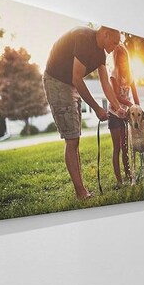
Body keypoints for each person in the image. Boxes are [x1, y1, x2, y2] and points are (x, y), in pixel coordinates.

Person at [43, 26, 125, 200]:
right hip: (57, 81)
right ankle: (81, 193)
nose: (116, 46)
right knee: (71, 138)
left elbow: (105, 84)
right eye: (115, 41)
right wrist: (96, 108)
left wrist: (118, 107)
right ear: (105, 34)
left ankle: (82, 190)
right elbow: (77, 78)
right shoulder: (83, 38)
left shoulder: (101, 55)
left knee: (74, 139)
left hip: (70, 84)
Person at [109, 43, 140, 187]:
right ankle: (119, 180)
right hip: (114, 114)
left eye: (124, 60)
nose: (122, 63)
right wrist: (129, 104)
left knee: (125, 146)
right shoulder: (114, 74)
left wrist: (138, 110)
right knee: (117, 147)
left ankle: (128, 174)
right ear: (116, 60)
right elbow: (116, 95)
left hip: (126, 115)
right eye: (120, 60)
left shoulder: (130, 75)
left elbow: (135, 95)